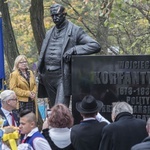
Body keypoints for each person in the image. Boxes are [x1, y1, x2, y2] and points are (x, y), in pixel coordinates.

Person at [37, 3, 101, 107]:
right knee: (54, 109)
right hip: (47, 76)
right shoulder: (49, 33)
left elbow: (95, 45)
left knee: (60, 108)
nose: (55, 18)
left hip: (62, 75)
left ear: (64, 14)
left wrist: (75, 49)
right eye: (52, 16)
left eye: (57, 15)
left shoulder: (75, 30)